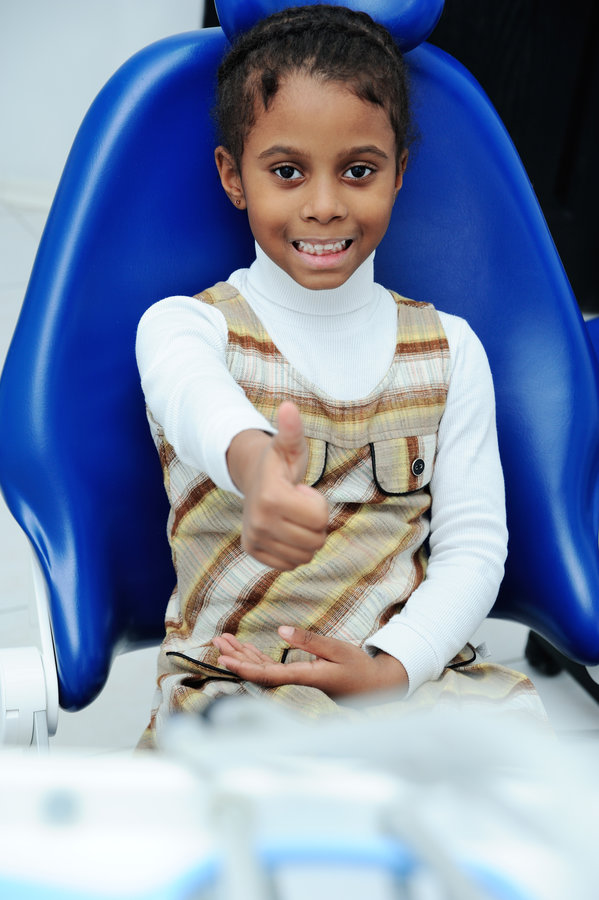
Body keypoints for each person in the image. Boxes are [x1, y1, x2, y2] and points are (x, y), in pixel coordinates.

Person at [136, 4, 543, 748]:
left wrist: (394, 667)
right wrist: (257, 466)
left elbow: (474, 548)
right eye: (287, 172)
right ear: (233, 176)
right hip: (240, 692)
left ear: (398, 173)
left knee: (518, 775)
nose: (324, 206)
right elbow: (195, 398)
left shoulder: (451, 350)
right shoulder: (186, 328)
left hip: (412, 684)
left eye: (358, 171)